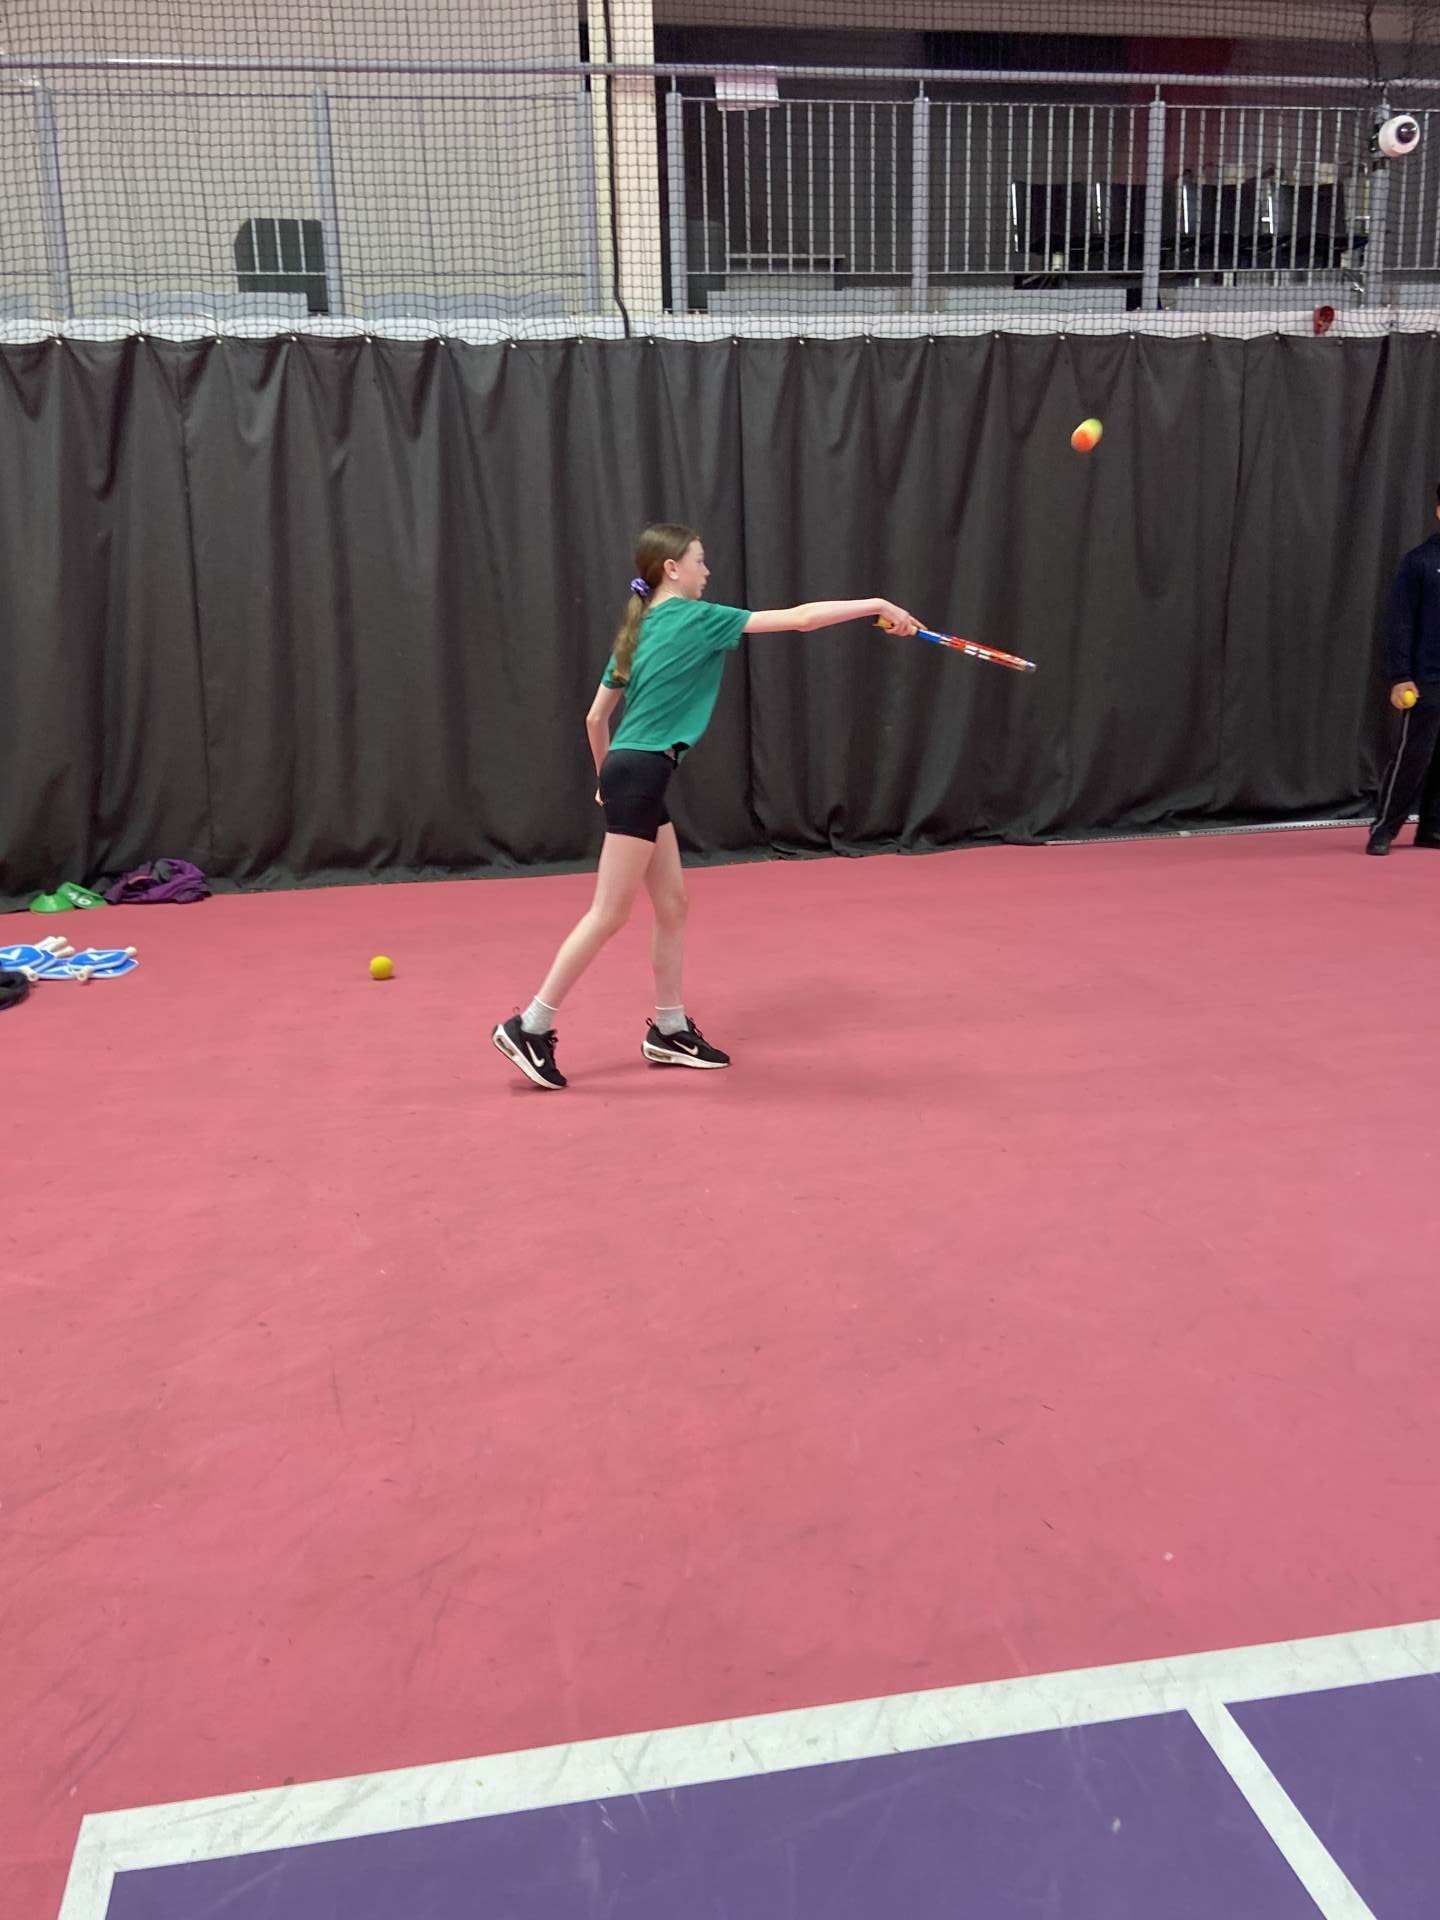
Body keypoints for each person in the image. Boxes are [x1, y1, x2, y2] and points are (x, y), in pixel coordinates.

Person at [492, 522, 918, 1089]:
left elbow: (596, 718)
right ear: (672, 568)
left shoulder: (635, 631)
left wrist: (605, 779)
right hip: (642, 772)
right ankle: (530, 1024)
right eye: (700, 561)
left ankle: (669, 1030)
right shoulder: (696, 618)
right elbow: (801, 619)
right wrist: (878, 604)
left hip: (633, 771)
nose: (707, 571)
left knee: (672, 905)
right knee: (609, 912)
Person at [1368, 484, 1440, 855]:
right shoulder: (1420, 562)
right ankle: (1384, 828)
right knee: (1415, 755)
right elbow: (1400, 623)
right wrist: (1400, 676)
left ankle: (1432, 829)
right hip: (1428, 677)